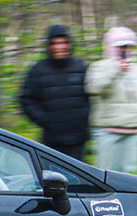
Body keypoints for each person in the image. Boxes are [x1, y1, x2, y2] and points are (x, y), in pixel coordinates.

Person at [85, 26, 137, 173]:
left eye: (129, 45)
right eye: (121, 46)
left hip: (136, 131)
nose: (126, 49)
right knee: (108, 174)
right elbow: (94, 88)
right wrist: (115, 70)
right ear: (112, 47)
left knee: (133, 176)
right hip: (109, 131)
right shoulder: (100, 66)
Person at [18, 24, 90, 161]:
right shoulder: (38, 70)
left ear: (69, 44)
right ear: (49, 46)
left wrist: (84, 119)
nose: (60, 47)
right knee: (54, 180)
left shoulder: (80, 67)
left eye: (63, 43)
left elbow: (92, 97)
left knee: (80, 178)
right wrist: (46, 120)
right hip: (52, 141)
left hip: (78, 139)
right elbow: (27, 100)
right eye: (55, 43)